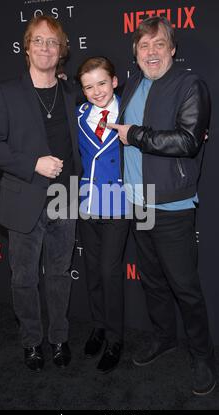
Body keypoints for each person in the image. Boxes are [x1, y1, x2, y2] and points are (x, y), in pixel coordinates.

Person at [108, 16, 216, 395]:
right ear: (135, 53)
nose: (150, 52)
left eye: (158, 45)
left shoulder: (190, 85)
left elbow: (188, 141)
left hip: (172, 205)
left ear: (172, 49)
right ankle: (164, 337)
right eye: (143, 46)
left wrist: (135, 135)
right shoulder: (135, 84)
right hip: (138, 203)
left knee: (184, 287)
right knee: (153, 281)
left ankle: (203, 356)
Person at [0, 15, 82, 372]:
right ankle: (31, 342)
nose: (45, 47)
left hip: (65, 197)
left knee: (59, 273)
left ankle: (58, 338)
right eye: (38, 40)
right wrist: (32, 164)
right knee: (23, 277)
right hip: (24, 196)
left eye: (52, 42)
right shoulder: (5, 91)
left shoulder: (72, 92)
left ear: (62, 51)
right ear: (26, 48)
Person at [76, 57, 129, 373]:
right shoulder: (80, 114)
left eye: (101, 83)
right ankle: (98, 326)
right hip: (86, 199)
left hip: (118, 200)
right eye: (88, 86)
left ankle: (115, 338)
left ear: (115, 81)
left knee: (110, 271)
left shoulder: (130, 111)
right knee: (93, 269)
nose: (96, 91)